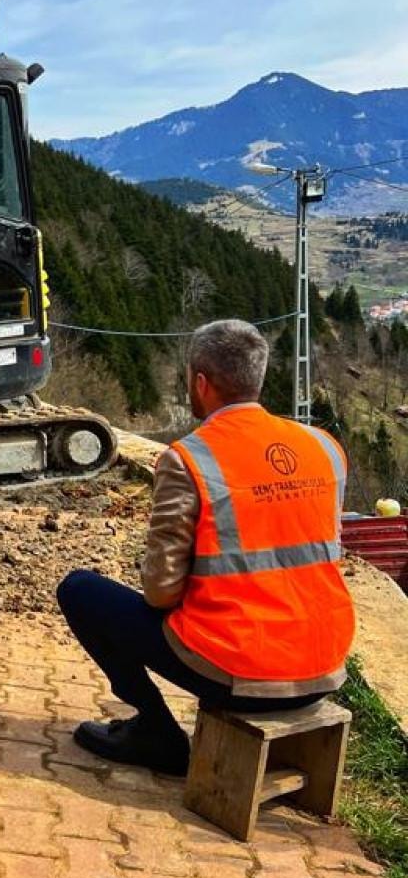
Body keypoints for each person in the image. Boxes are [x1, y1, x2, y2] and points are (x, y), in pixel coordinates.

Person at [57, 319, 355, 775]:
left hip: (244, 673)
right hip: (325, 663)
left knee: (80, 591)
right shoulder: (324, 447)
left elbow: (161, 592)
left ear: (200, 382)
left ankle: (155, 732)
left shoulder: (189, 459)